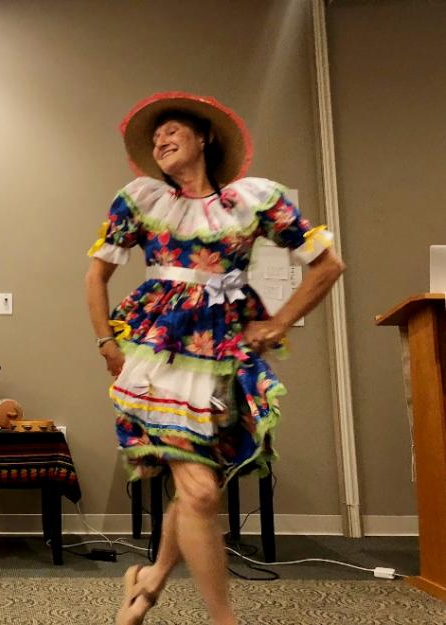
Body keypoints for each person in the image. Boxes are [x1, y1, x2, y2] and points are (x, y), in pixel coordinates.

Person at [84, 93, 344, 625]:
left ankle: (150, 579)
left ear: (205, 137)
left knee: (201, 481)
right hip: (161, 353)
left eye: (173, 129)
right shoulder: (141, 201)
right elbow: (96, 275)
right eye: (155, 137)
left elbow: (327, 264)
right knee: (200, 490)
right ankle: (224, 619)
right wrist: (106, 344)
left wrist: (275, 324)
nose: (161, 140)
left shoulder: (251, 200)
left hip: (226, 355)